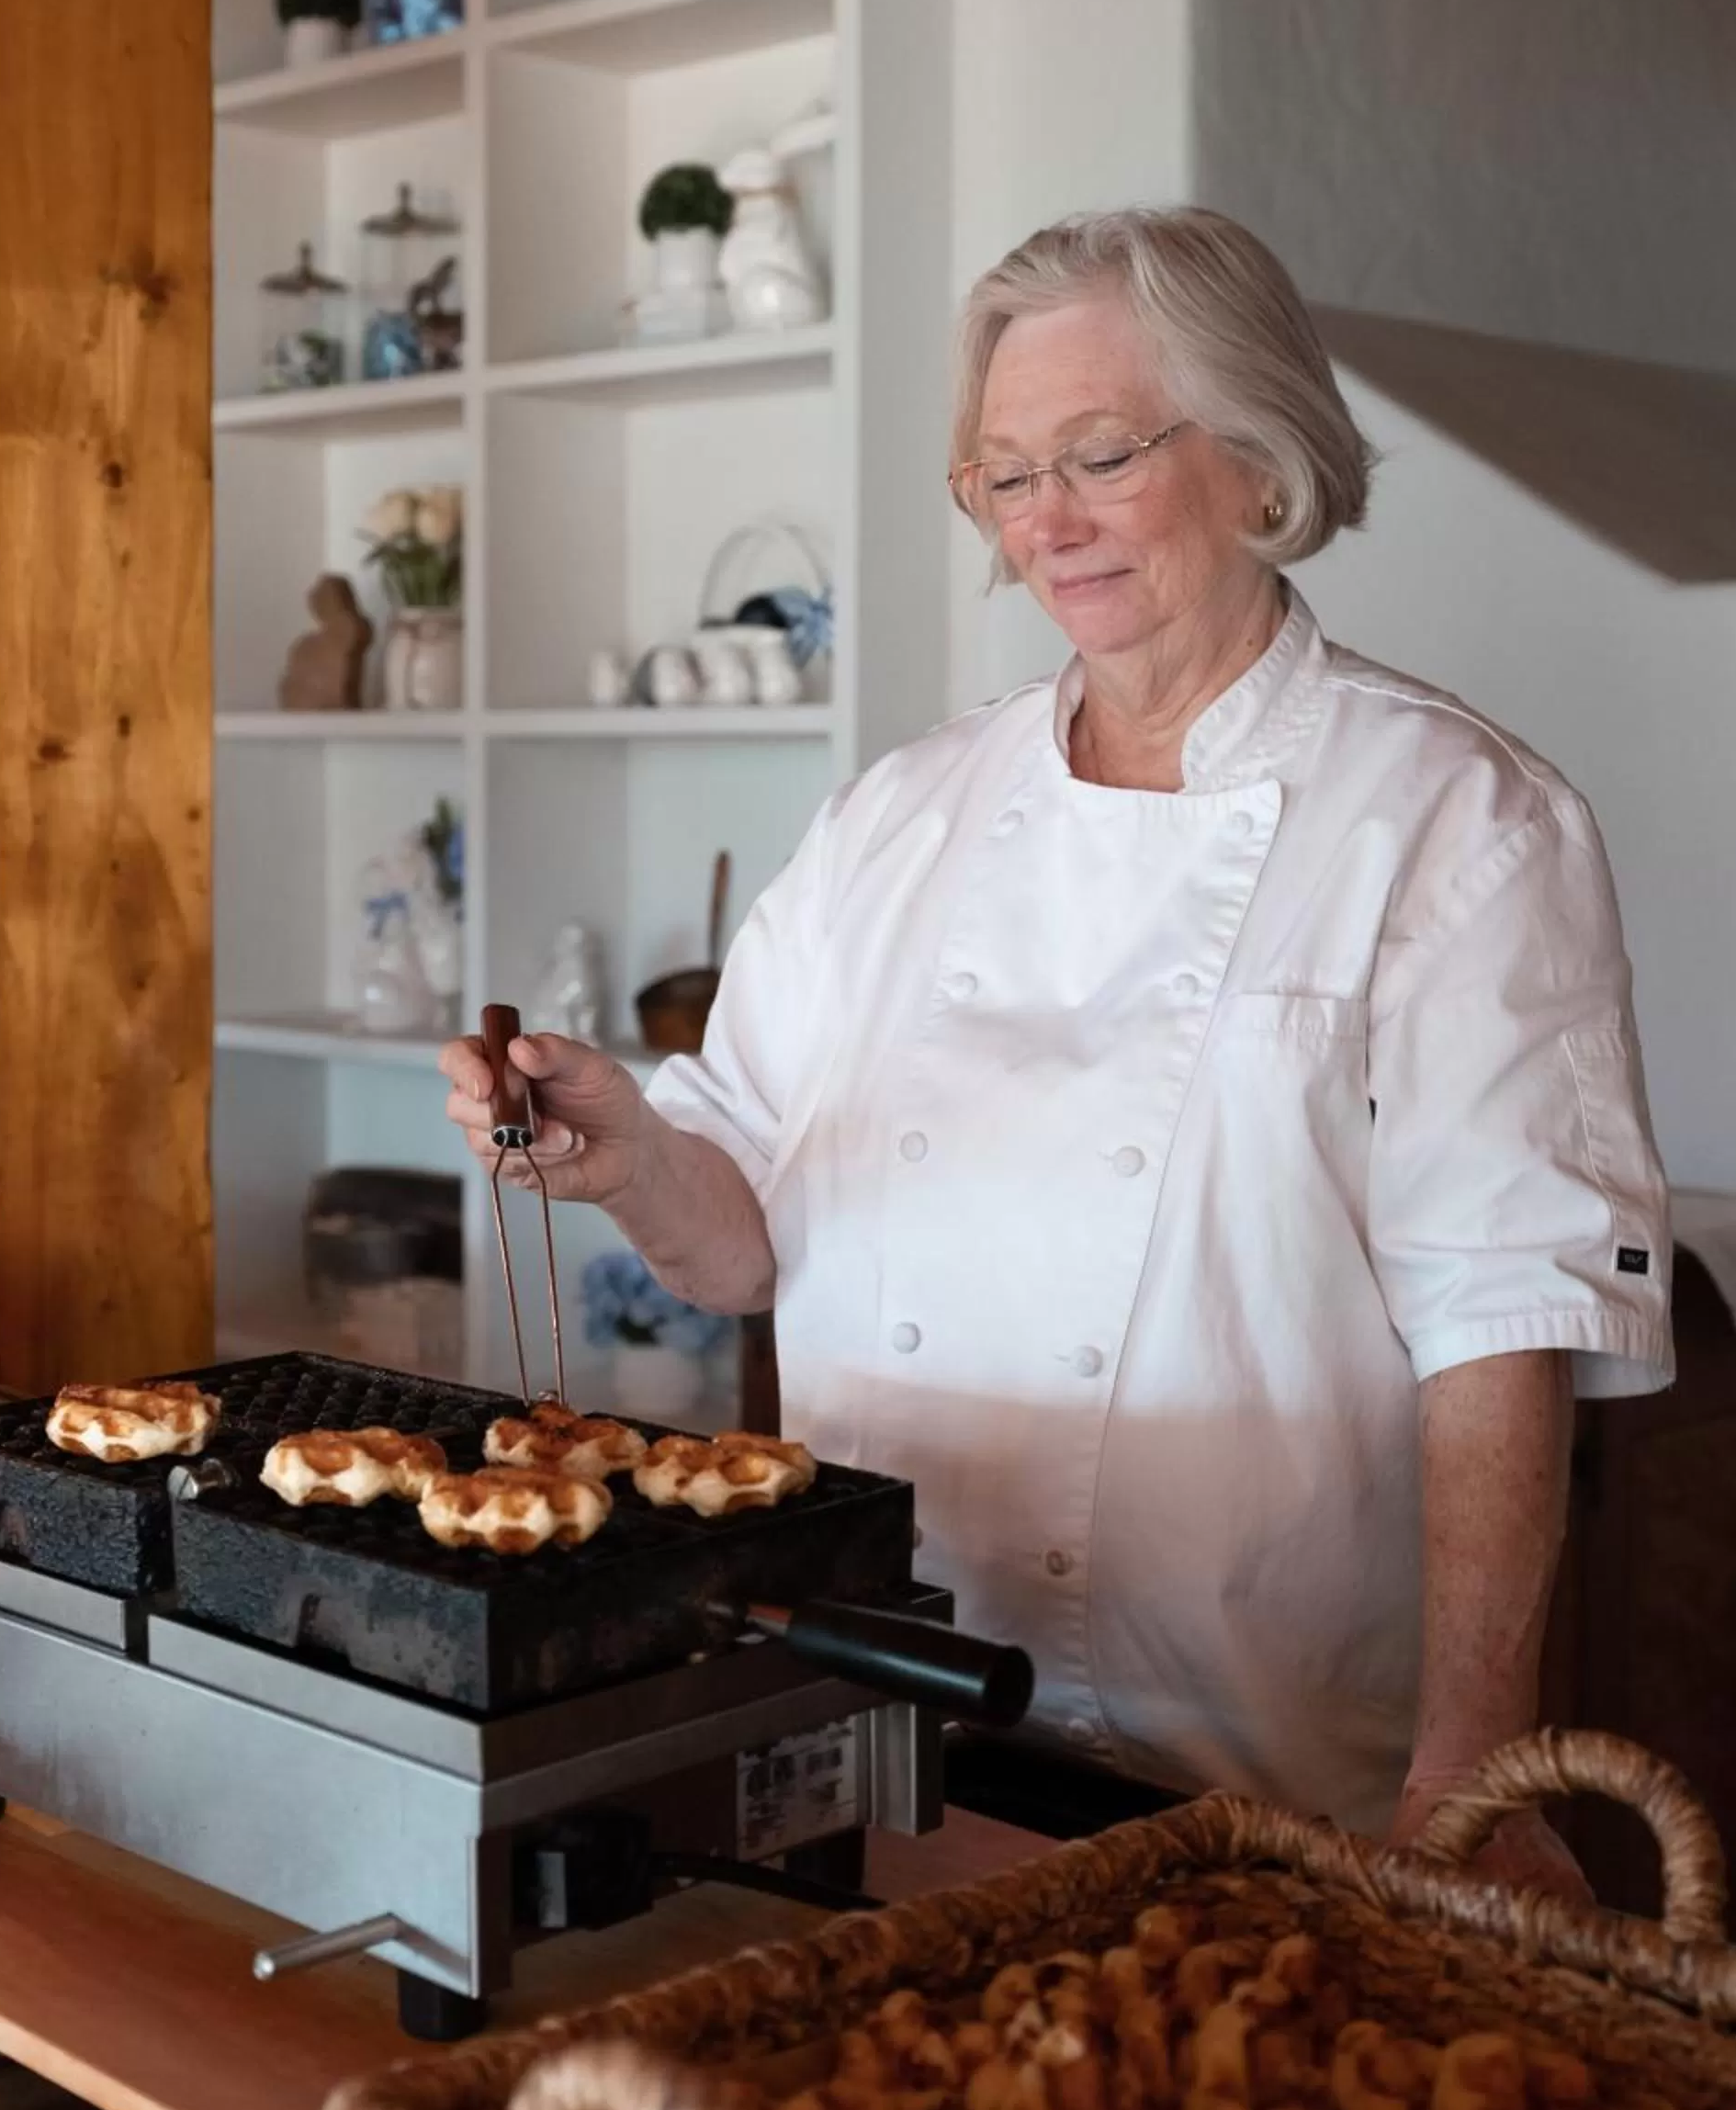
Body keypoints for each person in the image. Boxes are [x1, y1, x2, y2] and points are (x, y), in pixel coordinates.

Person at [442, 208, 1671, 1891]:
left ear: (1262, 459)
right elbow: (739, 1244)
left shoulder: (1455, 819)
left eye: (1098, 455)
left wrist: (1474, 1760)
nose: (1050, 524)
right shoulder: (902, 814)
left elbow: (1502, 1327)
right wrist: (630, 1152)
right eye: (1004, 476)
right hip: (875, 1718)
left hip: (1269, 1771)